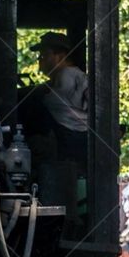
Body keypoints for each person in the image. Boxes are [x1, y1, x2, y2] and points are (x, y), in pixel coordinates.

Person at [34, 31, 88, 162]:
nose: (40, 61)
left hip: (72, 144)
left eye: (45, 55)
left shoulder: (67, 76)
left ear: (61, 56)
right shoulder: (68, 77)